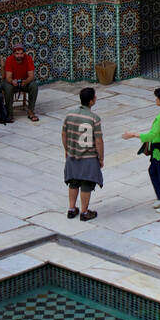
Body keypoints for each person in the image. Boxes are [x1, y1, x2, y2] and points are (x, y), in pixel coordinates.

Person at [122, 86, 160, 212]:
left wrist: (133, 135)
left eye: (157, 97)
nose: (156, 99)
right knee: (153, 170)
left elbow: (151, 135)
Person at [62, 87, 104, 221]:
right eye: (95, 97)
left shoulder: (69, 115)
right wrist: (101, 157)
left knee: (73, 182)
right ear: (91, 101)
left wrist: (67, 150)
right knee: (86, 184)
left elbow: (64, 134)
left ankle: (71, 208)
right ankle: (85, 212)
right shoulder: (94, 118)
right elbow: (98, 140)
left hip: (72, 155)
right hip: (88, 157)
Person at [2, 41, 39, 122]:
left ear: (24, 53)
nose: (19, 55)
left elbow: (31, 76)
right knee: (7, 88)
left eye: (21, 53)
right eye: (17, 53)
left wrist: (25, 81)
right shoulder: (9, 59)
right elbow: (8, 77)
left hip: (23, 82)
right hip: (12, 82)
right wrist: (12, 81)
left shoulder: (28, 58)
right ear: (14, 54)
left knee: (34, 85)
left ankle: (30, 111)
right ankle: (9, 113)